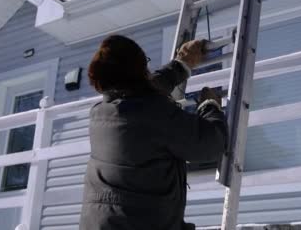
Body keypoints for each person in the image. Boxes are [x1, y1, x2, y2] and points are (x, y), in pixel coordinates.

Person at [80, 34, 228, 230]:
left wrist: (180, 65)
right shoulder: (152, 113)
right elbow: (210, 144)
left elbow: (142, 90)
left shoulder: (100, 114)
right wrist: (210, 106)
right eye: (144, 65)